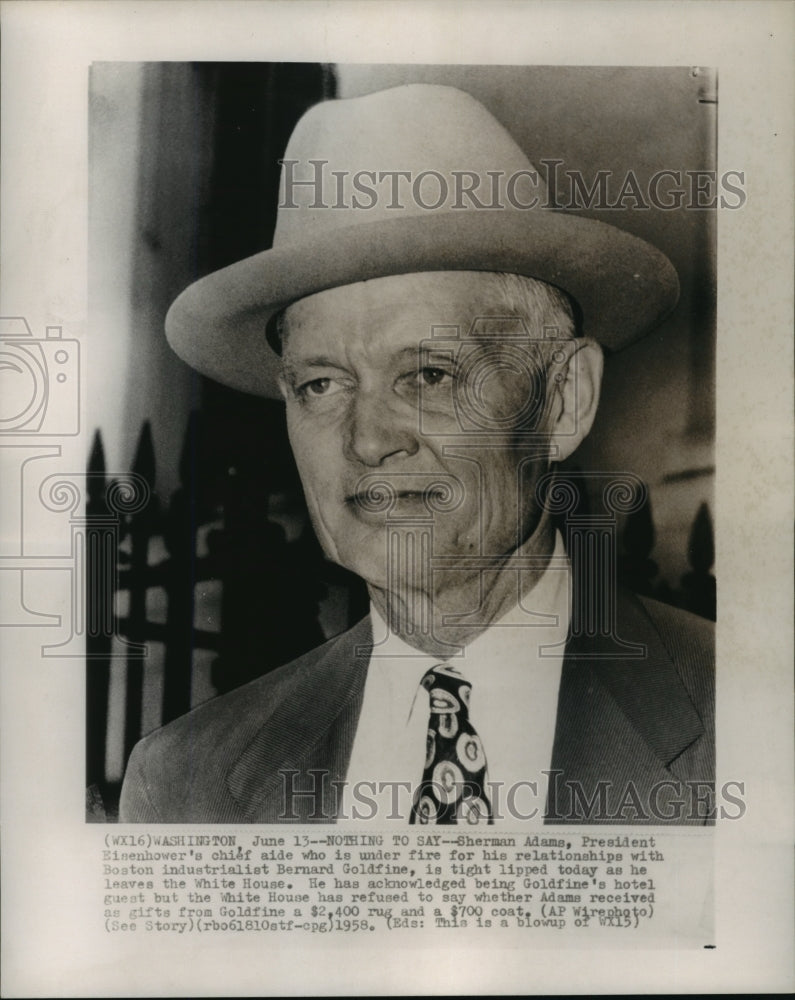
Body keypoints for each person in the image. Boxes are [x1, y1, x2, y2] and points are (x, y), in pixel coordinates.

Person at [119, 84, 714, 825]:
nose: (368, 439)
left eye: (429, 375)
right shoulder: (185, 782)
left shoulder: (749, 717)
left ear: (562, 400)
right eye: (321, 383)